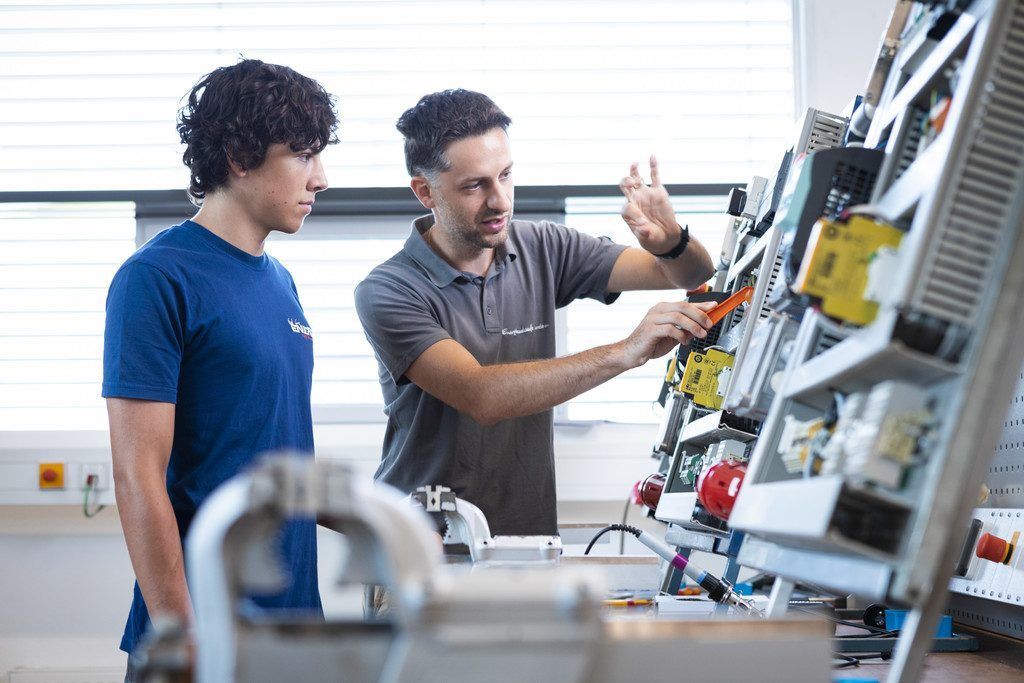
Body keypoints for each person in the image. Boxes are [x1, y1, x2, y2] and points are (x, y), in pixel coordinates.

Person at [354, 89, 716, 538]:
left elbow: (684, 274)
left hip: (526, 539)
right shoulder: (388, 290)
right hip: (420, 547)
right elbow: (481, 396)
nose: (500, 200)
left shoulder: (542, 246)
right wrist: (627, 352)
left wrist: (669, 240)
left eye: (505, 175)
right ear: (425, 192)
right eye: (474, 185)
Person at [102, 58, 337, 675]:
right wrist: (183, 636)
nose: (323, 178)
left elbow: (270, 452)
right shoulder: (156, 278)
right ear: (239, 154)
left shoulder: (281, 282)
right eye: (304, 155)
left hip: (291, 627)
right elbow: (136, 475)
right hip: (202, 634)